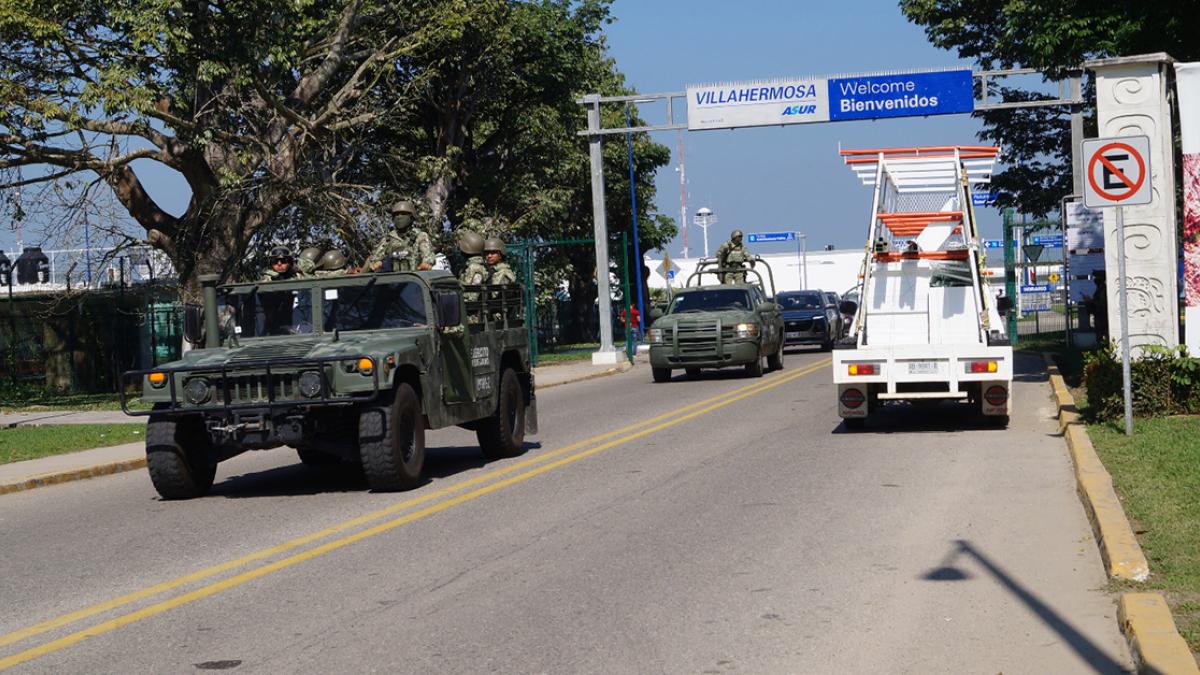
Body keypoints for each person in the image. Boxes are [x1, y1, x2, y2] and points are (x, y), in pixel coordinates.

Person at [364, 200, 436, 272]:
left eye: (403, 214)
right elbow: (374, 260)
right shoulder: (388, 239)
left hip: (414, 278)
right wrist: (372, 266)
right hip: (394, 279)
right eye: (396, 214)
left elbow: (428, 256)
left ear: (411, 217)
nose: (399, 217)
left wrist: (426, 263)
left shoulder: (420, 236)